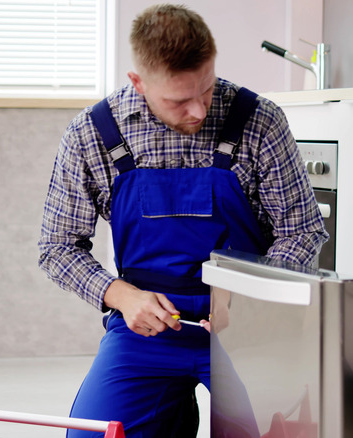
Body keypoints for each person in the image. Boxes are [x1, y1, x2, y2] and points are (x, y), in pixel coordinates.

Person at [37, 4, 328, 437]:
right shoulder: (92, 133)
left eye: (206, 90)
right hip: (146, 331)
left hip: (250, 330)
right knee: (91, 435)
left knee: (279, 432)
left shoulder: (260, 121)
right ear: (138, 82)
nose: (198, 111)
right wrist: (122, 297)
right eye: (179, 100)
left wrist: (247, 305)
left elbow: (301, 231)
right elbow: (56, 247)